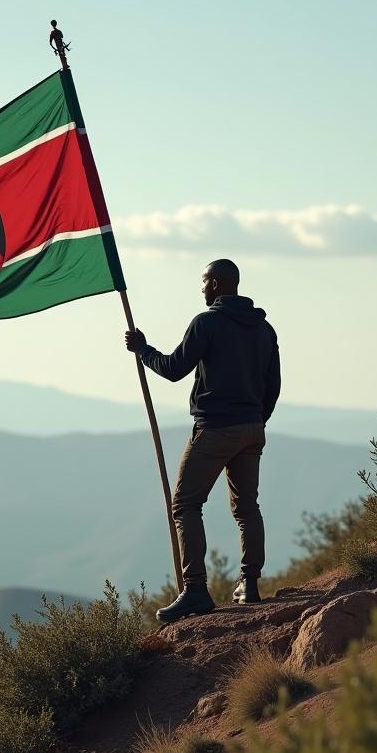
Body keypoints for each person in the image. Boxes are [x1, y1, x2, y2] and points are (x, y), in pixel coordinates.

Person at [125, 259, 281, 623]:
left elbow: (175, 369)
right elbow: (273, 385)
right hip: (252, 428)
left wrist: (143, 350)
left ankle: (195, 590)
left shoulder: (207, 322)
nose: (202, 288)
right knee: (246, 507)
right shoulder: (264, 329)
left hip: (214, 430)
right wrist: (256, 421)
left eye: (205, 281)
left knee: (185, 504)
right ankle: (249, 583)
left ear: (217, 283)